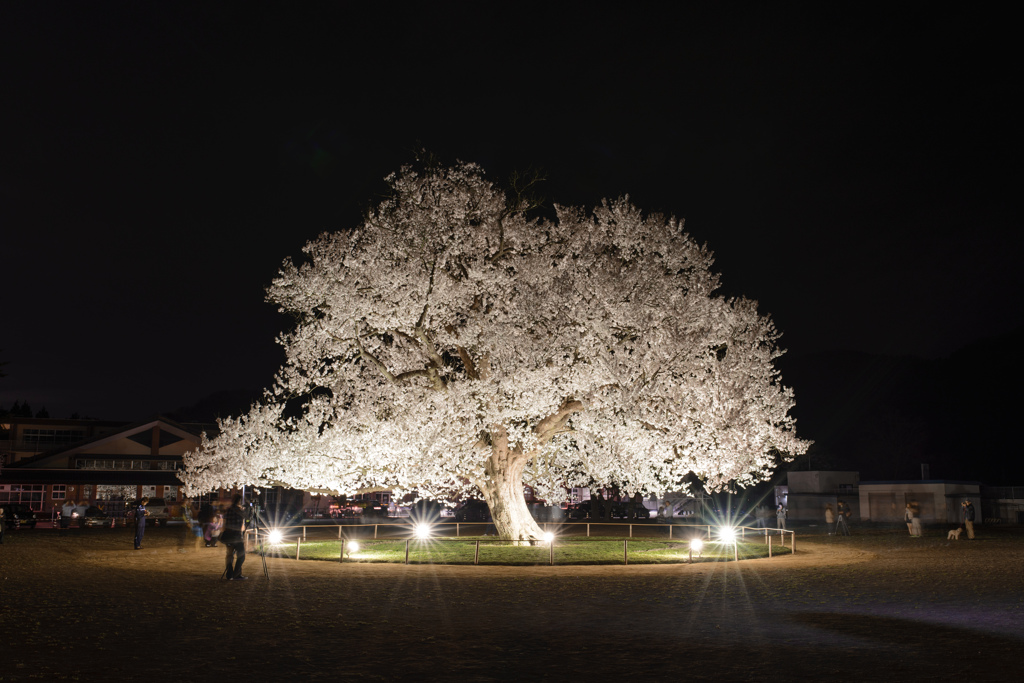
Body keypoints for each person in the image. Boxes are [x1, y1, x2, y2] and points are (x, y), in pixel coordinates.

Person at [222, 494, 248, 580]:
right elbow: (247, 517)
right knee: (241, 555)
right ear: (239, 501)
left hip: (228, 535)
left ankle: (229, 574)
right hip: (236, 536)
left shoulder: (228, 509)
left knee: (229, 555)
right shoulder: (239, 510)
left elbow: (225, 522)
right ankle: (237, 574)